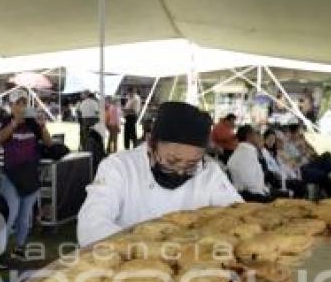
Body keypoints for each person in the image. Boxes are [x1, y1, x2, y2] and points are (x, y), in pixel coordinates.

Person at [77, 101, 242, 246]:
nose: (180, 171)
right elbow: (91, 225)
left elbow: (239, 217)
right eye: (172, 161)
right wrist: (144, 249)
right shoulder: (119, 167)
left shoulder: (209, 172)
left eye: (191, 164)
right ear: (150, 144)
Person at [0, 89, 53, 263]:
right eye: (18, 103)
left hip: (30, 175)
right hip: (11, 176)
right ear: (11, 106)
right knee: (10, 215)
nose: (22, 106)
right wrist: (14, 124)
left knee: (25, 217)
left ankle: (20, 248)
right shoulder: (4, 121)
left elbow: (48, 142)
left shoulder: (33, 123)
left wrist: (42, 126)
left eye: (24, 103)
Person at [281, 123, 331, 197]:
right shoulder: (286, 146)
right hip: (302, 169)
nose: (301, 133)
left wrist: (308, 147)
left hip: (311, 163)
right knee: (324, 175)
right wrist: (303, 152)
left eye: (301, 132)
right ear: (293, 133)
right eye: (299, 132)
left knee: (327, 155)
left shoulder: (302, 141)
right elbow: (292, 163)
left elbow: (315, 155)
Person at [227, 125, 270, 202]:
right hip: (252, 197)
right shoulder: (246, 153)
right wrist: (265, 194)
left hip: (254, 193)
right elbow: (250, 184)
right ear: (249, 136)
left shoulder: (245, 151)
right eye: (256, 134)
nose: (258, 137)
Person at [262, 128, 306, 198]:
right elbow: (271, 170)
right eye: (269, 139)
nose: (271, 142)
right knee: (299, 185)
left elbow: (282, 166)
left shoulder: (273, 153)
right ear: (264, 139)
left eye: (273, 140)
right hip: (276, 180)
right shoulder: (264, 152)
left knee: (300, 184)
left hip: (282, 177)